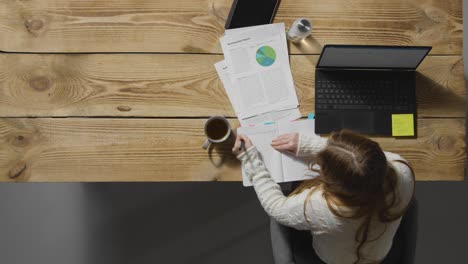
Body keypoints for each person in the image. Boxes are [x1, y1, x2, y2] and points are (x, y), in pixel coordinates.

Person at [232, 130, 415, 264]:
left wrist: (251, 162)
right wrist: (315, 147)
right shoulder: (402, 171)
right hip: (381, 255)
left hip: (329, 259)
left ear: (334, 183)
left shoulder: (320, 208)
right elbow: (367, 163)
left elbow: (276, 207)